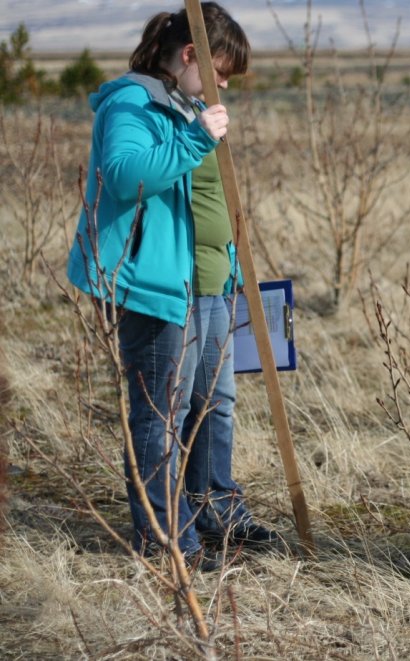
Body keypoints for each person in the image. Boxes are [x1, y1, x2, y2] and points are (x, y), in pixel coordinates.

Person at [67, 3, 275, 570]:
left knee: (214, 402)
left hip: (207, 281)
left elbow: (201, 197)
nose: (224, 86)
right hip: (154, 285)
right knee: (162, 412)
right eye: (221, 72)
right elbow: (127, 173)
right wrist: (193, 140)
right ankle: (167, 541)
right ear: (191, 56)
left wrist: (230, 261)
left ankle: (214, 510)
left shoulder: (186, 103)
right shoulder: (132, 102)